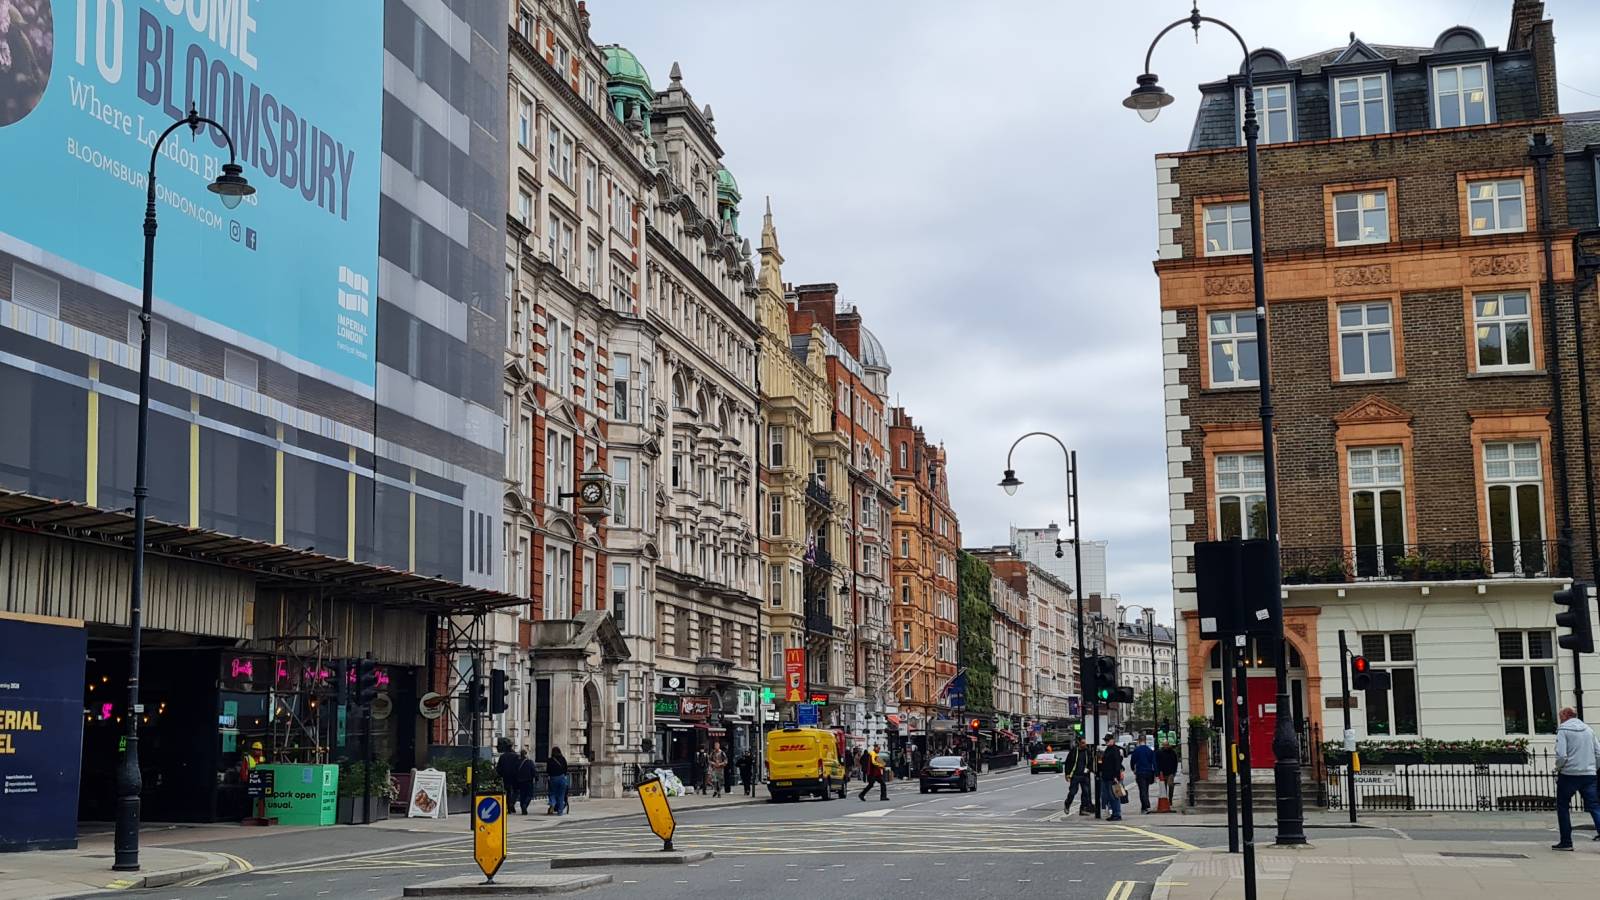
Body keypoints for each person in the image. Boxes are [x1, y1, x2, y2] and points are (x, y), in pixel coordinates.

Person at [1552, 707, 1600, 850]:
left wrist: (1559, 768)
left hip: (1569, 774)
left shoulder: (1563, 730)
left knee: (1563, 807)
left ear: (1565, 716)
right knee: (1594, 806)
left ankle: (1566, 842)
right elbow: (1598, 753)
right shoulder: (1588, 730)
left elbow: (1561, 755)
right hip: (1589, 774)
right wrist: (1594, 768)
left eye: (1560, 716)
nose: (1560, 719)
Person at [1062, 737, 1095, 815]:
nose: (1085, 744)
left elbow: (1091, 762)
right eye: (1083, 743)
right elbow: (1068, 763)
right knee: (1073, 792)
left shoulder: (1087, 751)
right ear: (1079, 743)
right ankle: (1067, 804)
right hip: (1075, 775)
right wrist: (1067, 774)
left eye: (1085, 743)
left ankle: (1082, 809)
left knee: (1086, 793)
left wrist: (1089, 769)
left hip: (1084, 776)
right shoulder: (1074, 751)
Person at [1098, 733, 1125, 821]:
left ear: (1112, 740)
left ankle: (1117, 814)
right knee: (1110, 796)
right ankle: (1114, 813)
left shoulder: (1115, 750)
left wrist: (1116, 776)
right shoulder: (1108, 749)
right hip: (1106, 776)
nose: (1106, 742)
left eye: (1108, 740)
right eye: (1105, 740)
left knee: (1114, 796)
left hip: (1112, 777)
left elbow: (1117, 764)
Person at [1131, 735, 1158, 814]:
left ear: (1139, 741)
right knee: (1146, 789)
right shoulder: (1149, 750)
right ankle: (1144, 807)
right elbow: (1154, 762)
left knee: (1142, 790)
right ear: (1145, 740)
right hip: (1149, 772)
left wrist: (1133, 769)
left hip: (1140, 772)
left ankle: (1146, 806)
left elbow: (1133, 761)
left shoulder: (1136, 750)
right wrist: (1156, 773)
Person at [494, 738, 520, 810]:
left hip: (506, 776)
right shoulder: (516, 756)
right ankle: (512, 803)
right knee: (516, 791)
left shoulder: (503, 756)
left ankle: (509, 804)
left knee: (507, 790)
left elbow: (499, 767)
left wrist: (500, 774)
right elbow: (518, 766)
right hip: (514, 776)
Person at [546, 746, 571, 815]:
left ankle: (552, 803)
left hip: (553, 778)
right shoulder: (563, 759)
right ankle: (560, 812)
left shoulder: (550, 760)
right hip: (562, 778)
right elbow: (566, 769)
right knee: (561, 795)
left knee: (552, 793)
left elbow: (548, 770)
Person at [1156, 738, 1180, 807]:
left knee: (1170, 785)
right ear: (1163, 745)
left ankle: (1170, 799)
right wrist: (1159, 772)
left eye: (1167, 745)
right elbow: (1158, 763)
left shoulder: (1172, 752)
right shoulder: (1160, 752)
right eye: (1164, 745)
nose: (1166, 746)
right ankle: (1165, 800)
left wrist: (1174, 771)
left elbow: (1175, 762)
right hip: (1162, 772)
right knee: (1164, 788)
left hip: (1170, 772)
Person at [516, 747, 537, 815]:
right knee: (529, 795)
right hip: (528, 781)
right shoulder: (529, 762)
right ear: (526, 754)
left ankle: (522, 807)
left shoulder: (518, 762)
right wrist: (536, 778)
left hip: (520, 781)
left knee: (522, 795)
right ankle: (525, 805)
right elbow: (533, 771)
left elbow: (515, 771)